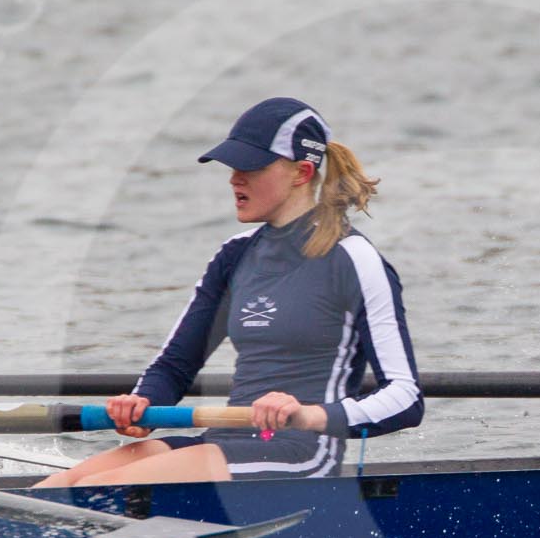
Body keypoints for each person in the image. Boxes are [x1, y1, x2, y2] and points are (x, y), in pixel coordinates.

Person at [39, 98, 421, 486]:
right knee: (55, 488)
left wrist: (308, 414)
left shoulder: (354, 259)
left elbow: (405, 398)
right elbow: (174, 365)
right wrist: (141, 408)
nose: (235, 179)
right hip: (225, 440)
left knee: (93, 490)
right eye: (234, 166)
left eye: (251, 167)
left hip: (300, 454)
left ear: (301, 172)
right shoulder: (236, 254)